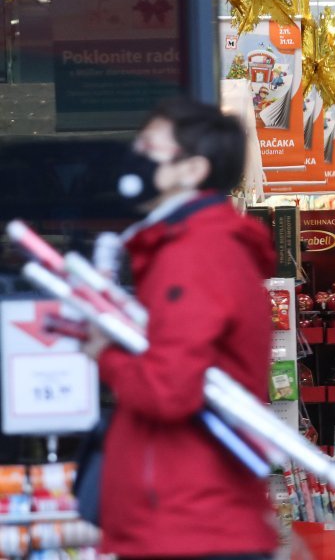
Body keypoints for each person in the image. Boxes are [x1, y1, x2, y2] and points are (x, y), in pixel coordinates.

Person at [81, 99, 279, 559]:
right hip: (186, 517)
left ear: (191, 170)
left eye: (149, 148)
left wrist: (105, 352)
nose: (135, 156)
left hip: (190, 525)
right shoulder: (190, 245)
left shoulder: (194, 253)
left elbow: (169, 389)